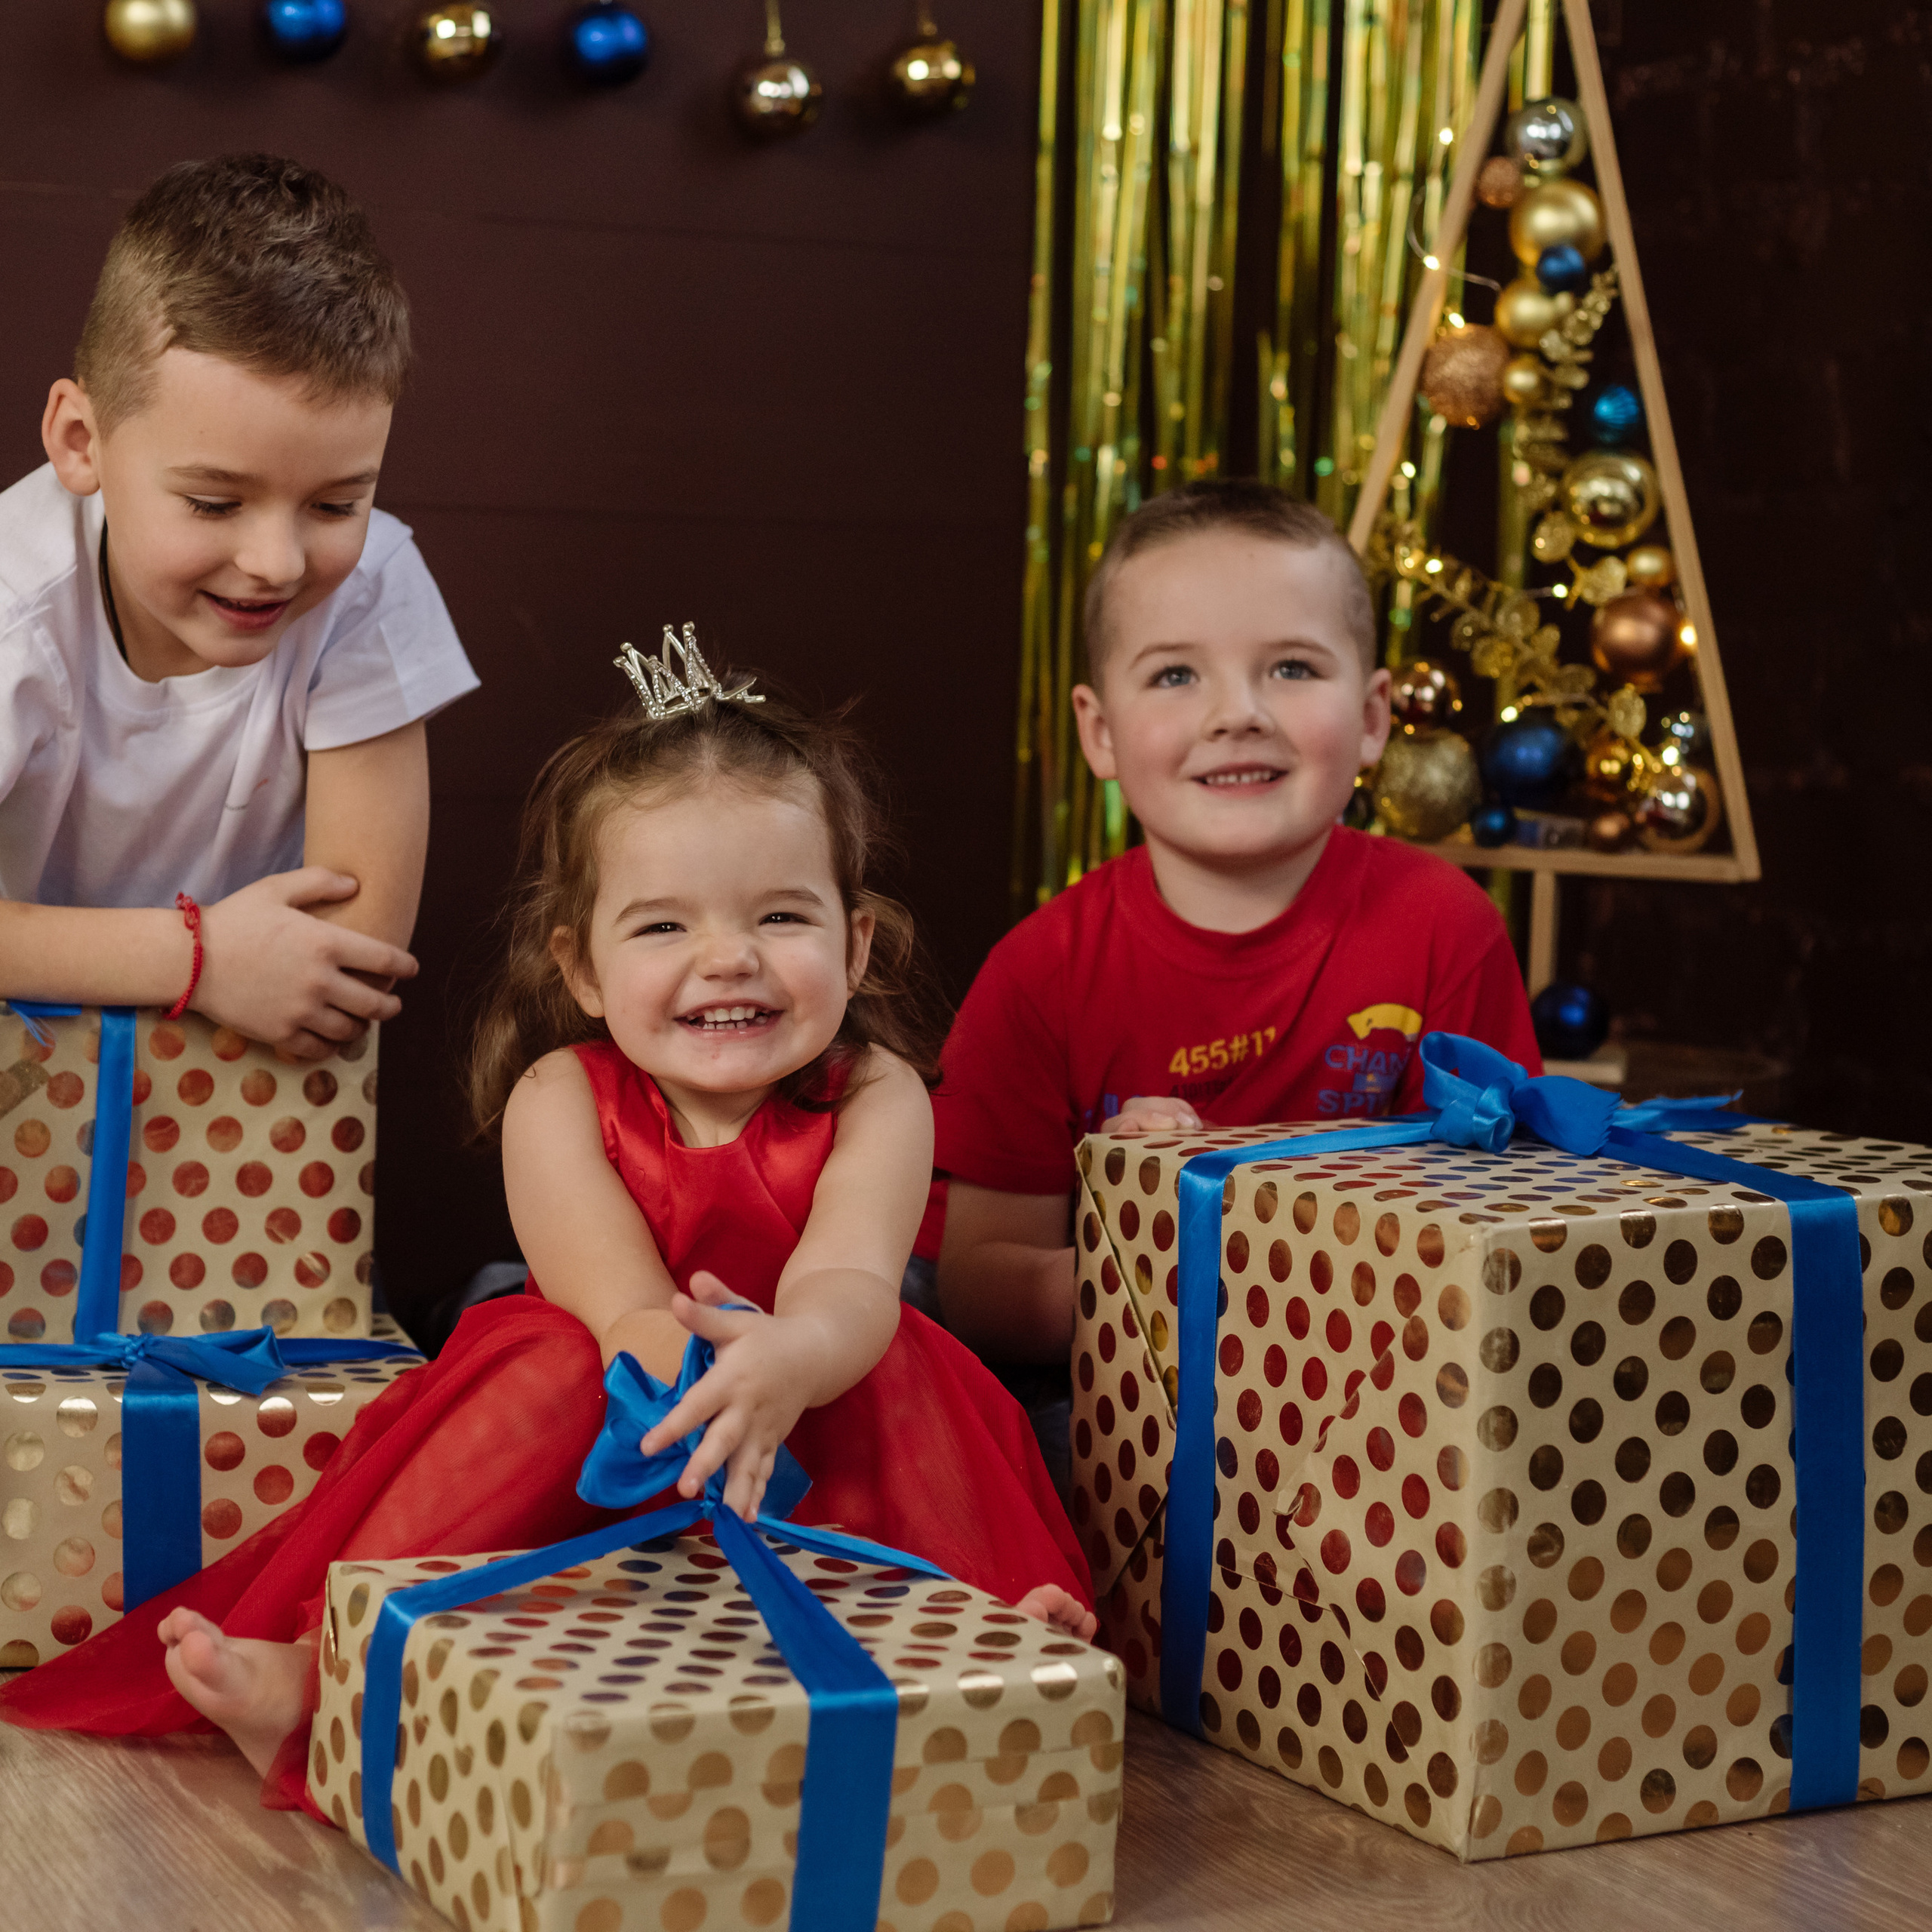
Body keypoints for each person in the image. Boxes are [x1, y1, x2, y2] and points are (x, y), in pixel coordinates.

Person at [0, 641, 1094, 1808]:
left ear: (856, 943)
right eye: (662, 928)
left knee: (898, 1374)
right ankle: (334, 1665)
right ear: (579, 967)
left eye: (781, 915)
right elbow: (616, 1293)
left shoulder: (876, 1093)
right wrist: (696, 1375)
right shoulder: (560, 1096)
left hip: (810, 1382)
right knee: (541, 1371)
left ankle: (979, 1639)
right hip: (622, 1391)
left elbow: (850, 1280)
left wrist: (788, 1359)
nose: (729, 959)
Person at [935, 481, 1540, 1393]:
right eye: (1176, 675)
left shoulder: (1444, 926)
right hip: (1122, 1387)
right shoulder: (1040, 972)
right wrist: (1151, 1254)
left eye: (1291, 668)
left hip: (1378, 1378)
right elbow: (978, 1287)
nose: (1237, 713)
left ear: (1373, 718)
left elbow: (1501, 1225)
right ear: (1099, 734)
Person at [0, 154, 479, 1056]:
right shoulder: (12, 603)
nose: (275, 562)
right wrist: (198, 957)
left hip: (251, 1105)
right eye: (215, 503)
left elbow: (353, 952)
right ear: (79, 443)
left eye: (337, 504)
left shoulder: (368, 583)